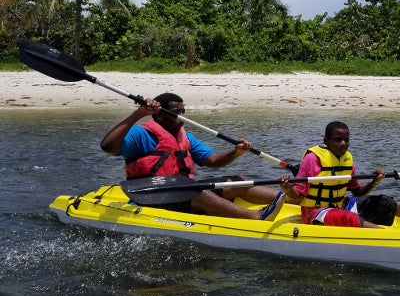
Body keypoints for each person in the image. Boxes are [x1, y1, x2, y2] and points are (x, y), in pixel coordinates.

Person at [100, 93, 285, 220]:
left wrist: (235, 152)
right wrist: (138, 113)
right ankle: (255, 216)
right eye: (176, 113)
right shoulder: (140, 133)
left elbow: (212, 161)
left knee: (236, 181)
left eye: (183, 112)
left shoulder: (183, 136)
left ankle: (293, 199)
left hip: (181, 193)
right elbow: (108, 146)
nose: (181, 116)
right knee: (198, 192)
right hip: (151, 198)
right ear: (159, 115)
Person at [279, 121, 400, 229]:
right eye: (338, 139)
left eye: (346, 139)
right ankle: (395, 236)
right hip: (314, 213)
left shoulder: (347, 159)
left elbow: (357, 193)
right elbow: (298, 197)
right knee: (349, 218)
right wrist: (287, 189)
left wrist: (374, 182)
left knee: (384, 201)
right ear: (326, 141)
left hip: (340, 204)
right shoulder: (312, 159)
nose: (343, 143)